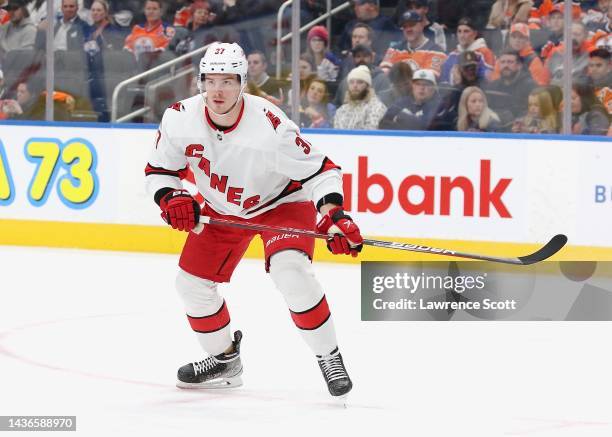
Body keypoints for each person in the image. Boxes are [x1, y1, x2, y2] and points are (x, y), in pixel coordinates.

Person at [144, 42, 360, 399]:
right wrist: (172, 197)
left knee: (290, 272)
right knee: (191, 286)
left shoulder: (271, 126)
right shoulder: (179, 117)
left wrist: (333, 214)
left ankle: (329, 356)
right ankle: (225, 361)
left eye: (227, 81)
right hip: (220, 208)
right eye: (210, 80)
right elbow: (158, 170)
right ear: (199, 81)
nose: (217, 89)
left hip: (281, 203)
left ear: (242, 82)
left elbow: (320, 171)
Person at [381, 10, 447, 76]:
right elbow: (383, 73)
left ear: (422, 24)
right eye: (405, 26)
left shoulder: (436, 51)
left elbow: (426, 80)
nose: (408, 29)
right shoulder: (394, 49)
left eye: (412, 25)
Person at [378, 68, 443, 131]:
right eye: (418, 84)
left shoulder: (439, 106)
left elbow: (427, 127)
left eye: (426, 84)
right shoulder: (402, 102)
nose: (422, 88)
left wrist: (403, 117)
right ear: (412, 86)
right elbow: (383, 124)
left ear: (433, 88)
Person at [440, 17, 495, 84]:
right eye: (459, 31)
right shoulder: (452, 55)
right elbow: (444, 78)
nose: (462, 35)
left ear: (475, 34)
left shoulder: (485, 52)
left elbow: (489, 77)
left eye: (466, 31)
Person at [485, 49, 536, 119]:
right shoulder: (492, 87)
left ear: (519, 66)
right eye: (503, 62)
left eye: (510, 62)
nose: (506, 65)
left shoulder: (530, 86)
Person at [333, 65, 387, 129]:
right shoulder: (341, 110)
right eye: (351, 82)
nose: (355, 85)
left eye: (360, 82)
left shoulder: (377, 107)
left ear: (368, 86)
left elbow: (370, 133)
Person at [587, 48, 612, 114]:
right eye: (591, 65)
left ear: (609, 67)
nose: (594, 69)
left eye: (598, 65)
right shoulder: (584, 85)